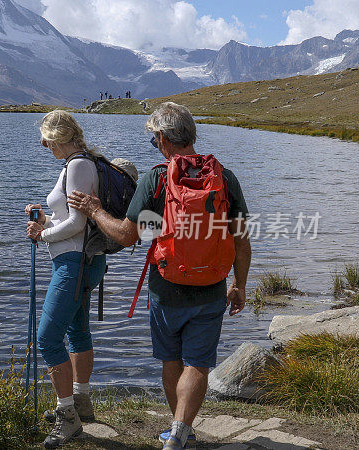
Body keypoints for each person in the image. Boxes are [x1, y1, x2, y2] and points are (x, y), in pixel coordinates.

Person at [66, 102, 251, 450]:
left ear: (164, 139)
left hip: (166, 288)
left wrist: (93, 209)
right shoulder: (225, 179)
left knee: (172, 360)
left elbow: (128, 235)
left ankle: (179, 431)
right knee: (198, 363)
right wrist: (239, 285)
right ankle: (182, 431)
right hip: (212, 286)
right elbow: (241, 240)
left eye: (154, 140)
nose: (155, 146)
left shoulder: (156, 179)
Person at [24, 110, 107, 449]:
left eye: (47, 138)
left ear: (61, 136)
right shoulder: (81, 163)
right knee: (76, 331)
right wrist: (45, 220)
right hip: (83, 261)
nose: (44, 144)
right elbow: (70, 219)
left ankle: (67, 416)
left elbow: (75, 225)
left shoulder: (77, 165)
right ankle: (81, 401)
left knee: (47, 338)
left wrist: (41, 235)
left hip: (74, 263)